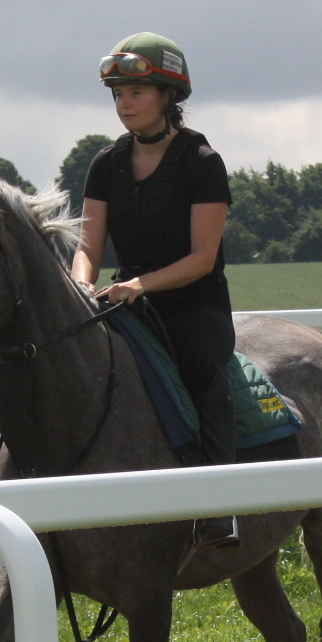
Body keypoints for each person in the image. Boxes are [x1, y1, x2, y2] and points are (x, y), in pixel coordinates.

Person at [74, 31, 239, 548]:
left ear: (169, 95)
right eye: (118, 95)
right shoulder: (105, 164)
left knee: (198, 363)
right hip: (126, 299)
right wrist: (82, 288)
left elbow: (201, 259)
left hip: (192, 301)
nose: (124, 104)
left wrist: (139, 285)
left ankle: (221, 504)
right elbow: (87, 246)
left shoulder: (202, 162)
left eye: (136, 93)